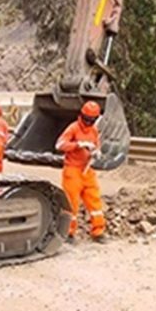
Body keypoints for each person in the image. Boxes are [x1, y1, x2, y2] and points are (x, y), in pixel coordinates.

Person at [55, 101, 106, 241]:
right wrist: (78, 144)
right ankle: (69, 232)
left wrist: (97, 152)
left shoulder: (94, 131)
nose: (88, 122)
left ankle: (98, 232)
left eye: (92, 120)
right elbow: (59, 145)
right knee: (71, 203)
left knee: (94, 201)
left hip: (88, 170)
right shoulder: (73, 128)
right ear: (81, 116)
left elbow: (97, 146)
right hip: (72, 170)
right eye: (87, 119)